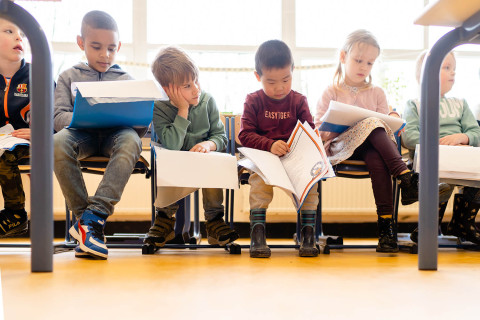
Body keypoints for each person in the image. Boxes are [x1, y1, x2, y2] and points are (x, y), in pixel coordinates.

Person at [315, 29, 418, 253]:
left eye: (370, 63)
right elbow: (319, 130)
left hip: (371, 149)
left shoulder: (377, 92)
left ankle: (386, 232)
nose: (364, 67)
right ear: (343, 57)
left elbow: (386, 127)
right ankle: (404, 176)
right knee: (371, 123)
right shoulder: (331, 91)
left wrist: (391, 118)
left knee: (376, 156)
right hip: (341, 148)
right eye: (358, 60)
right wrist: (334, 123)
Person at [54, 11, 142, 259]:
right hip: (82, 135)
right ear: (81, 43)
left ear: (119, 47)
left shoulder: (127, 80)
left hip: (117, 135)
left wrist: (138, 119)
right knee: (57, 143)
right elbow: (57, 117)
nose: (105, 55)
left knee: (131, 140)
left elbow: (139, 126)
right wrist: (80, 118)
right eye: (96, 47)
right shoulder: (68, 76)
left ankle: (92, 219)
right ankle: (88, 226)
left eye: (112, 48)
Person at [145, 46, 239, 248]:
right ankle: (165, 220)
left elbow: (221, 137)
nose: (196, 88)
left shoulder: (207, 101)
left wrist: (209, 144)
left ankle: (214, 221)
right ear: (168, 89)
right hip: (177, 164)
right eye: (187, 86)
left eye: (196, 80)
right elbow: (171, 144)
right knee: (167, 160)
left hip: (204, 163)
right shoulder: (160, 108)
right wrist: (183, 110)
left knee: (215, 161)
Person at [238, 39, 319, 258]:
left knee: (310, 185)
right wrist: (270, 145)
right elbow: (244, 135)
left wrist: (299, 145)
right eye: (271, 82)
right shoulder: (253, 101)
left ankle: (308, 236)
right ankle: (258, 236)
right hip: (265, 158)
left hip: (294, 159)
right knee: (259, 185)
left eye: (286, 79)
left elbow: (310, 132)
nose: (280, 87)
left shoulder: (299, 101)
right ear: (258, 77)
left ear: (293, 71)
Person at [403, 50, 480, 244]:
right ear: (426, 73)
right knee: (443, 179)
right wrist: (434, 142)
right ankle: (429, 225)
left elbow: (476, 133)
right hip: (430, 157)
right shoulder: (415, 104)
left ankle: (463, 223)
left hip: (462, 156)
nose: (453, 73)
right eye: (446, 68)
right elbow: (409, 136)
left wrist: (462, 137)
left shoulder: (461, 104)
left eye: (454, 68)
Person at [0, 18, 31, 238]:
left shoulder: (37, 75)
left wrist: (42, 131)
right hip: (3, 138)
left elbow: (56, 115)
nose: (18, 37)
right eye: (9, 31)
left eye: (21, 33)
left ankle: (15, 213)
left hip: (29, 141)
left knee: (3, 156)